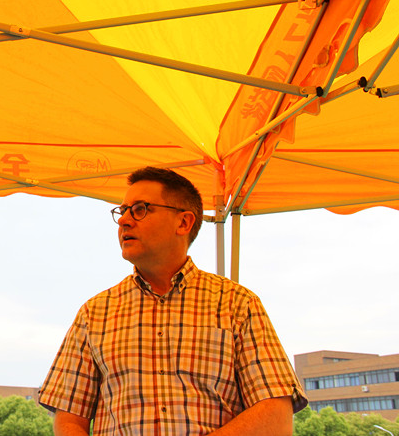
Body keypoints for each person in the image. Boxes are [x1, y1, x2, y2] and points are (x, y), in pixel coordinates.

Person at [38, 166, 307, 436]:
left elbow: (275, 415)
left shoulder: (238, 304)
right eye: (122, 211)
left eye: (140, 209)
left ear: (184, 223)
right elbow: (69, 419)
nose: (124, 221)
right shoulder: (94, 313)